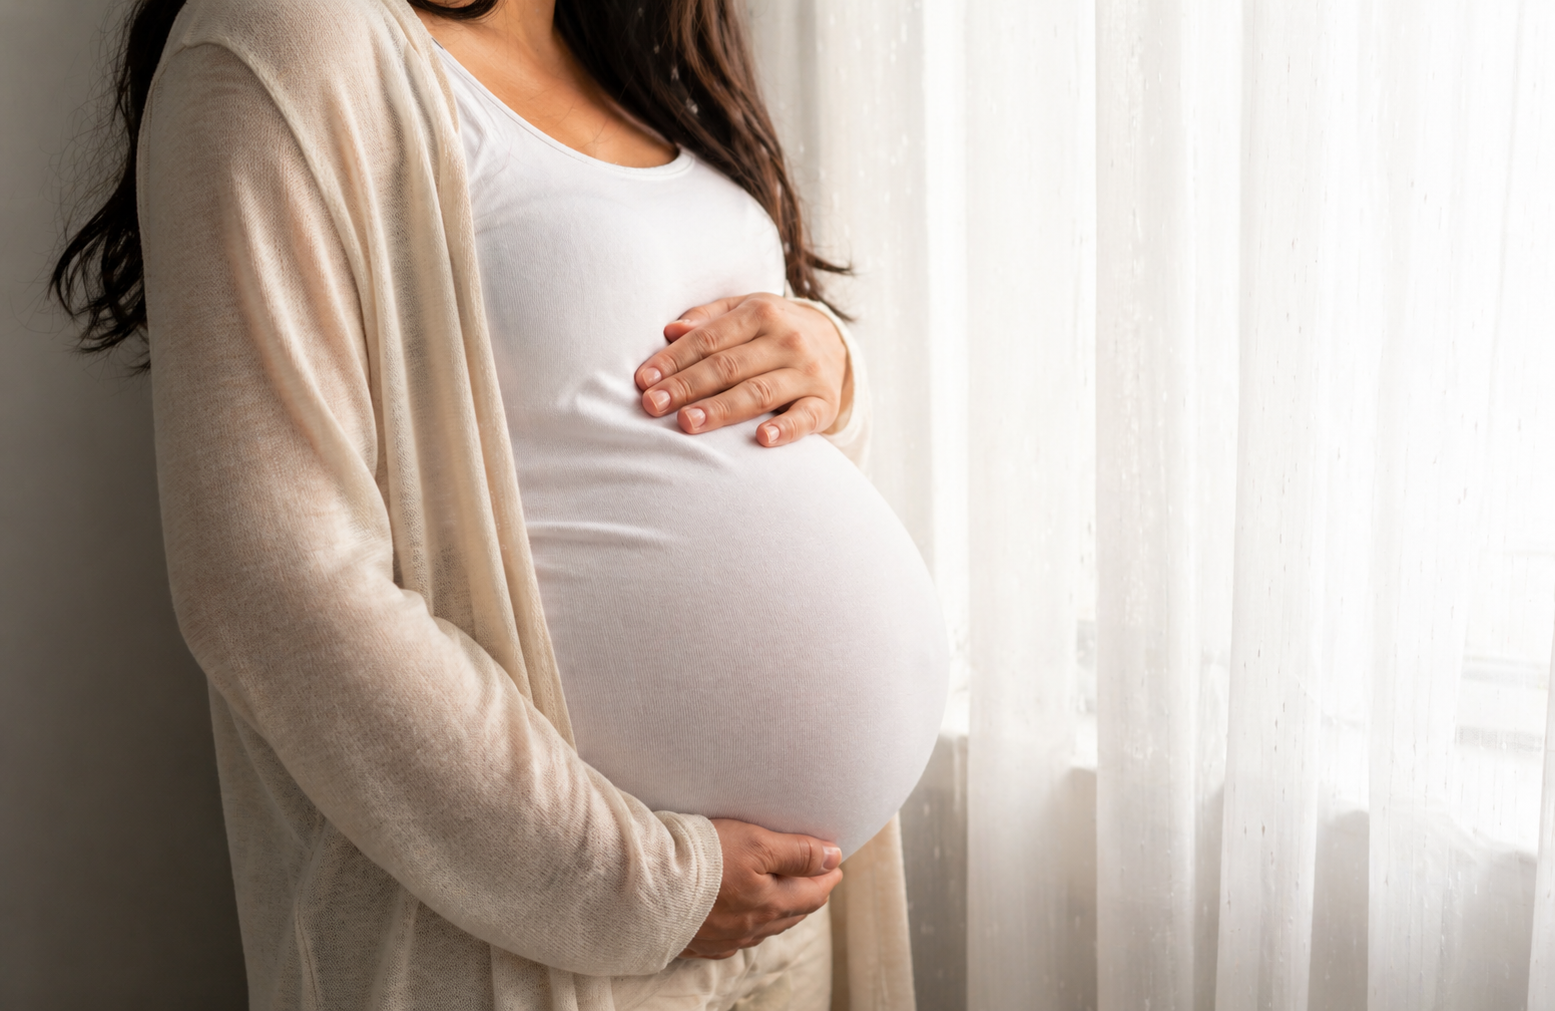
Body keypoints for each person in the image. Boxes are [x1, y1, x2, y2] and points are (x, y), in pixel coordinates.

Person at [51, 0, 949, 1008]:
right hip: (534, 939)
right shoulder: (291, 39)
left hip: (780, 931)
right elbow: (270, 582)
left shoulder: (647, 53)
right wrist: (645, 884)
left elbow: (684, 433)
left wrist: (828, 364)